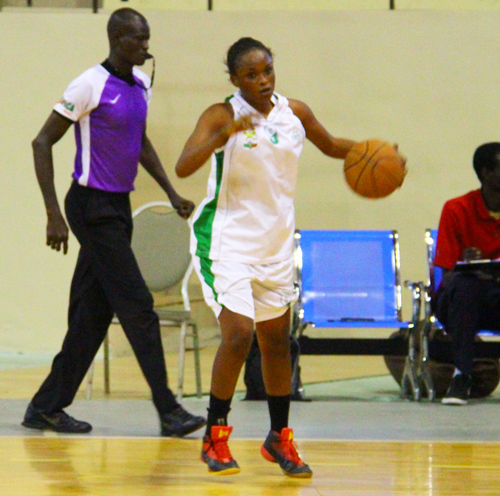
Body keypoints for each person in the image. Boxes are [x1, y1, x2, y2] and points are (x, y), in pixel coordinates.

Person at [175, 37, 405, 477]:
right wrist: (223, 136)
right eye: (251, 75)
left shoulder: (294, 112)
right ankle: (215, 435)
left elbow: (335, 145)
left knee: (277, 343)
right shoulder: (220, 115)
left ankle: (279, 438)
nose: (262, 81)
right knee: (239, 334)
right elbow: (184, 165)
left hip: (275, 245)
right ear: (234, 79)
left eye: (267, 71)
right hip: (226, 243)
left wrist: (380, 156)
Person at [22, 8, 206, 437]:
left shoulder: (141, 85)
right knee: (139, 306)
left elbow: (138, 141)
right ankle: (169, 410)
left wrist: (170, 192)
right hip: (90, 207)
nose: (146, 46)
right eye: (138, 39)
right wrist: (53, 213)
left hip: (117, 209)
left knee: (93, 314)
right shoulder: (89, 84)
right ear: (117, 39)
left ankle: (46, 406)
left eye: (147, 38)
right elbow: (41, 141)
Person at [434, 142, 500, 406]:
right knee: (465, 286)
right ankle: (462, 375)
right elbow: (447, 277)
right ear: (486, 173)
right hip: (460, 304)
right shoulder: (457, 209)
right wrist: (466, 263)